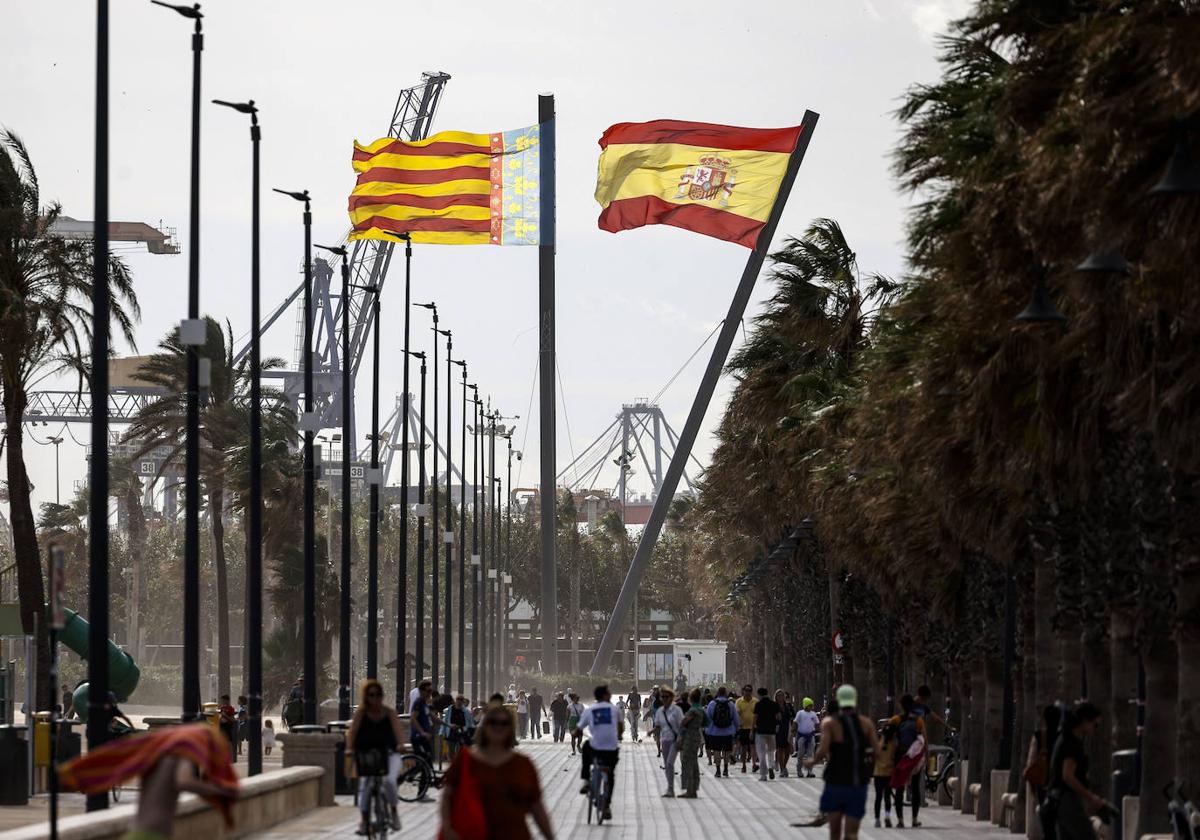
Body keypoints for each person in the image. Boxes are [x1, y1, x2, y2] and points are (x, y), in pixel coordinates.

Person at [59, 724, 239, 840]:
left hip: (140, 832)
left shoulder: (159, 757)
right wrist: (221, 790)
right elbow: (184, 782)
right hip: (152, 834)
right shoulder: (181, 753)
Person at [439, 702, 555, 840]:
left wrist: (550, 836)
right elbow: (447, 796)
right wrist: (447, 827)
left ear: (510, 728)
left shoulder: (523, 764)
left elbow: (536, 806)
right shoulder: (465, 759)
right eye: (493, 722)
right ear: (484, 726)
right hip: (474, 834)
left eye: (504, 723)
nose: (498, 727)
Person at [805, 685, 878, 840]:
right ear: (855, 701)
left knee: (835, 832)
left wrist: (812, 762)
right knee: (852, 833)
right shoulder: (866, 724)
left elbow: (823, 750)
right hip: (857, 781)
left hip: (835, 781)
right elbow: (876, 751)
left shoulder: (830, 723)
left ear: (839, 700)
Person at [346, 679, 405, 834]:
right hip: (367, 755)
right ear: (366, 696)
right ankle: (365, 821)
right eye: (372, 695)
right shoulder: (361, 713)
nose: (376, 698)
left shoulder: (389, 713)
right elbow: (352, 732)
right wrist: (350, 749)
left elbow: (399, 732)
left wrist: (400, 745)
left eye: (378, 694)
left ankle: (393, 811)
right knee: (365, 786)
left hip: (389, 754)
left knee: (390, 782)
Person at [1047, 702, 1111, 840]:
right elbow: (1067, 776)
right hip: (1066, 801)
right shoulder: (1072, 743)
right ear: (1085, 721)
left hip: (1059, 800)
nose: (1096, 729)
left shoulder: (1065, 738)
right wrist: (1091, 798)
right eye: (1095, 724)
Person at [573, 685, 623, 821]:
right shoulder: (615, 709)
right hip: (611, 749)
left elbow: (579, 729)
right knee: (610, 775)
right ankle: (606, 806)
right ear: (605, 695)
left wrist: (575, 732)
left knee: (586, 747)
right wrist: (619, 736)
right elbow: (621, 727)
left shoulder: (590, 710)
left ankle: (586, 781)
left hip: (595, 747)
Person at [888, 694, 927, 828]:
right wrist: (924, 756)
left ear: (900, 705)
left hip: (900, 757)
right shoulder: (918, 721)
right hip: (914, 758)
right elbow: (923, 739)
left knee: (900, 788)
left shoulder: (896, 720)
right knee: (915, 788)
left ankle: (900, 820)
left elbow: (889, 738)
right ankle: (915, 819)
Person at [651, 687, 682, 796]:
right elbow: (658, 725)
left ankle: (671, 787)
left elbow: (681, 725)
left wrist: (681, 738)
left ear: (671, 697)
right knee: (666, 764)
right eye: (662, 697)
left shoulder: (676, 710)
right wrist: (651, 731)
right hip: (664, 740)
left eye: (666, 697)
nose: (664, 699)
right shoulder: (660, 711)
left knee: (669, 763)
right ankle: (670, 788)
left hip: (674, 740)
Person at [705, 685, 739, 777]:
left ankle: (718, 770)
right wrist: (736, 729)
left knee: (716, 751)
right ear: (725, 693)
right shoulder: (730, 704)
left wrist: (707, 730)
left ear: (718, 693)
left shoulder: (712, 704)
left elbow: (707, 718)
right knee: (727, 751)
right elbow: (735, 718)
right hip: (728, 731)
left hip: (715, 732)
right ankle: (726, 769)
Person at [679, 688, 707, 798]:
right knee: (694, 763)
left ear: (691, 698)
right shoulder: (701, 709)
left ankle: (689, 790)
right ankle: (694, 788)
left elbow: (683, 722)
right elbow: (706, 723)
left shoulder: (692, 711)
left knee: (687, 763)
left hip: (689, 738)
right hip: (697, 736)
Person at [409, 680, 441, 770]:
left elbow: (434, 717)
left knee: (428, 760)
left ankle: (425, 780)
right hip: (418, 736)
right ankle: (415, 776)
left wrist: (449, 725)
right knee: (424, 761)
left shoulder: (424, 704)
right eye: (428, 691)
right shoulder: (418, 703)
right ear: (421, 691)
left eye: (430, 691)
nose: (429, 694)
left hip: (424, 736)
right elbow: (413, 718)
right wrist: (422, 732)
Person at [873, 719, 898, 828]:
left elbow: (875, 755)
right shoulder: (894, 743)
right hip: (889, 773)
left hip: (878, 773)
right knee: (887, 796)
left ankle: (877, 819)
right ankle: (887, 816)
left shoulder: (878, 743)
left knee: (878, 797)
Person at [753, 686, 781, 780]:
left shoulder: (758, 704)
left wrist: (752, 729)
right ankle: (771, 766)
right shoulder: (774, 704)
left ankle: (763, 775)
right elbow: (778, 717)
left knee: (761, 753)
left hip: (760, 731)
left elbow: (755, 718)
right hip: (771, 731)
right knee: (771, 751)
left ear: (759, 694)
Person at [443, 694, 477, 760]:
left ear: (463, 701)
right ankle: (453, 764)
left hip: (462, 732)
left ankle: (459, 764)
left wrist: (471, 732)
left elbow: (470, 722)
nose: (459, 701)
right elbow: (446, 720)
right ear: (456, 700)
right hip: (451, 731)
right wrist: (443, 732)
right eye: (458, 699)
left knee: (461, 750)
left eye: (461, 699)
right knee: (451, 750)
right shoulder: (450, 709)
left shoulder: (466, 711)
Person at [794, 696, 820, 777]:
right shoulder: (800, 713)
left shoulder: (813, 714)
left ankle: (810, 771)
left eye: (812, 705)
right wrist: (792, 730)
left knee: (810, 754)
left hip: (811, 736)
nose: (811, 707)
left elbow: (817, 723)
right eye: (810, 705)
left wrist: (818, 729)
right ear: (805, 705)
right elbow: (795, 722)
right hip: (801, 736)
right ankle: (799, 770)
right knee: (800, 754)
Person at [735, 683, 758, 774]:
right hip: (743, 727)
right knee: (744, 748)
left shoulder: (755, 701)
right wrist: (738, 724)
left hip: (754, 727)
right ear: (743, 691)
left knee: (753, 747)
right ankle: (743, 765)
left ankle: (754, 764)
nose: (748, 692)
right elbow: (737, 713)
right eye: (746, 690)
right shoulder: (739, 701)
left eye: (749, 690)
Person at [777, 691, 796, 777]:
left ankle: (784, 766)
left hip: (787, 729)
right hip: (778, 730)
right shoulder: (774, 706)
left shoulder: (788, 706)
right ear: (776, 697)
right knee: (780, 749)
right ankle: (782, 769)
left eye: (782, 695)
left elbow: (793, 717)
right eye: (779, 695)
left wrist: (793, 728)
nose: (781, 697)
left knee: (788, 749)